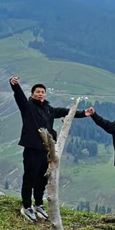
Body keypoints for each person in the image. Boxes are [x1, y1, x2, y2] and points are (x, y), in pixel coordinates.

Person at [10, 77, 87, 222]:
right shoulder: (28, 107)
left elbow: (64, 111)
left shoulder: (48, 109)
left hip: (46, 149)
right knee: (29, 178)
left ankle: (38, 204)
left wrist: (83, 113)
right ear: (32, 94)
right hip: (32, 148)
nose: (40, 94)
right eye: (38, 92)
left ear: (45, 94)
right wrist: (15, 85)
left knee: (42, 178)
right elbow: (19, 97)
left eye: (42, 92)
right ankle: (27, 206)